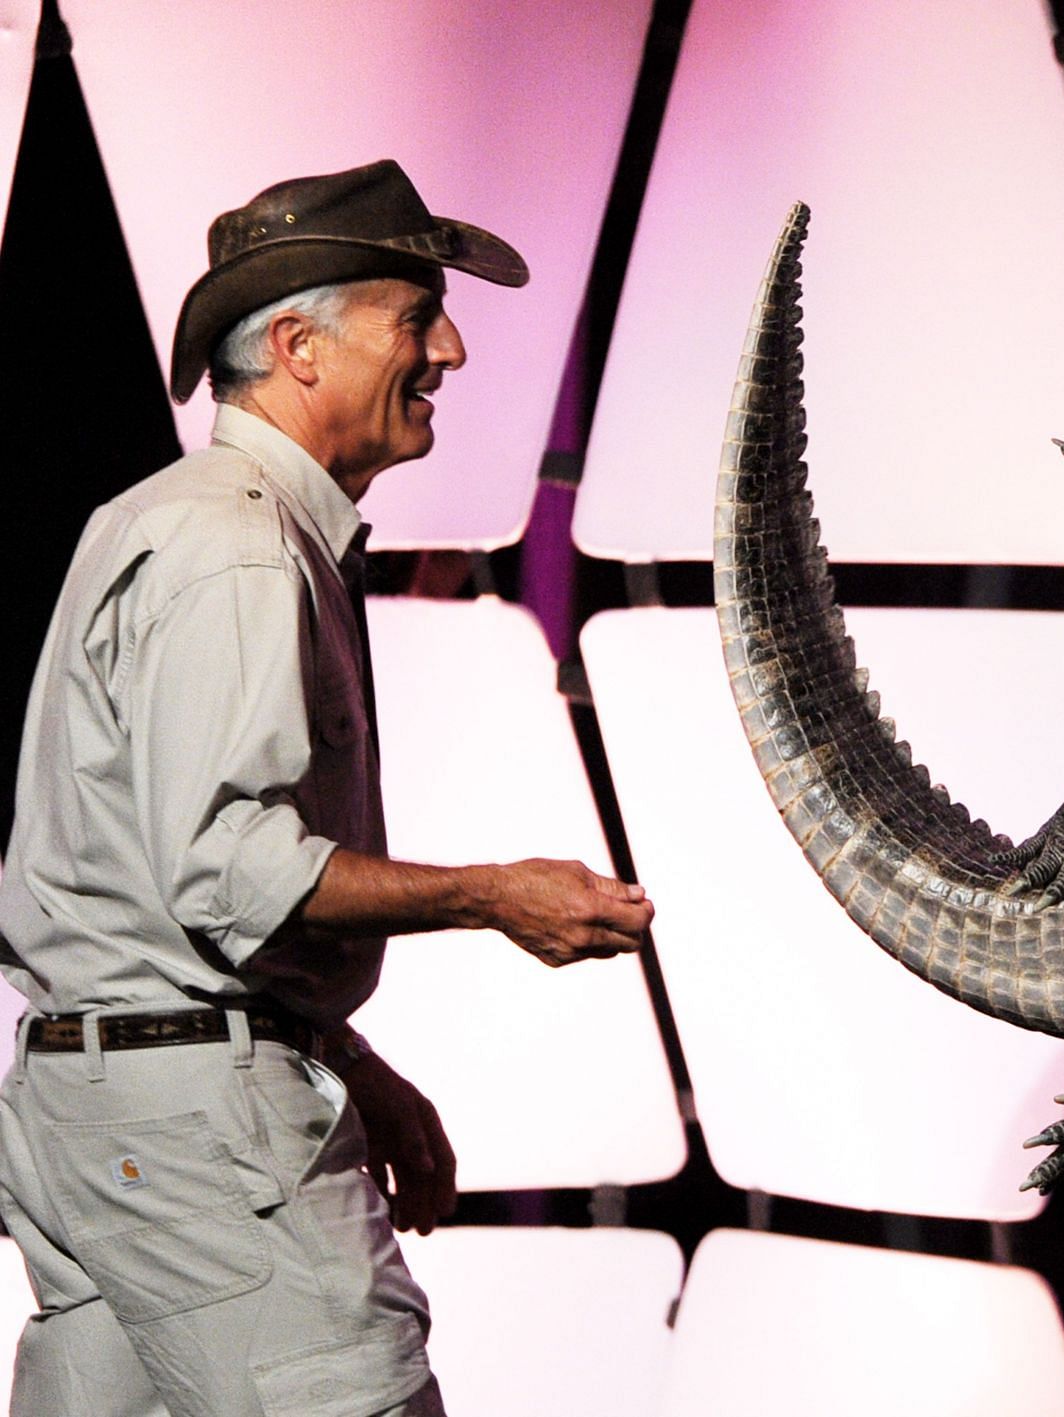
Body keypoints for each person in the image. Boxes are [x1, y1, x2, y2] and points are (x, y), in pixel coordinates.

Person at [0, 161, 656, 1417]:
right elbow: (225, 863)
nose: (451, 348)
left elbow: (146, 883)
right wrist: (490, 895)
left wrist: (342, 1056)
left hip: (117, 1116)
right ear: (300, 346)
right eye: (416, 316)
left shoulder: (181, 519)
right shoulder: (239, 540)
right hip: (196, 1138)